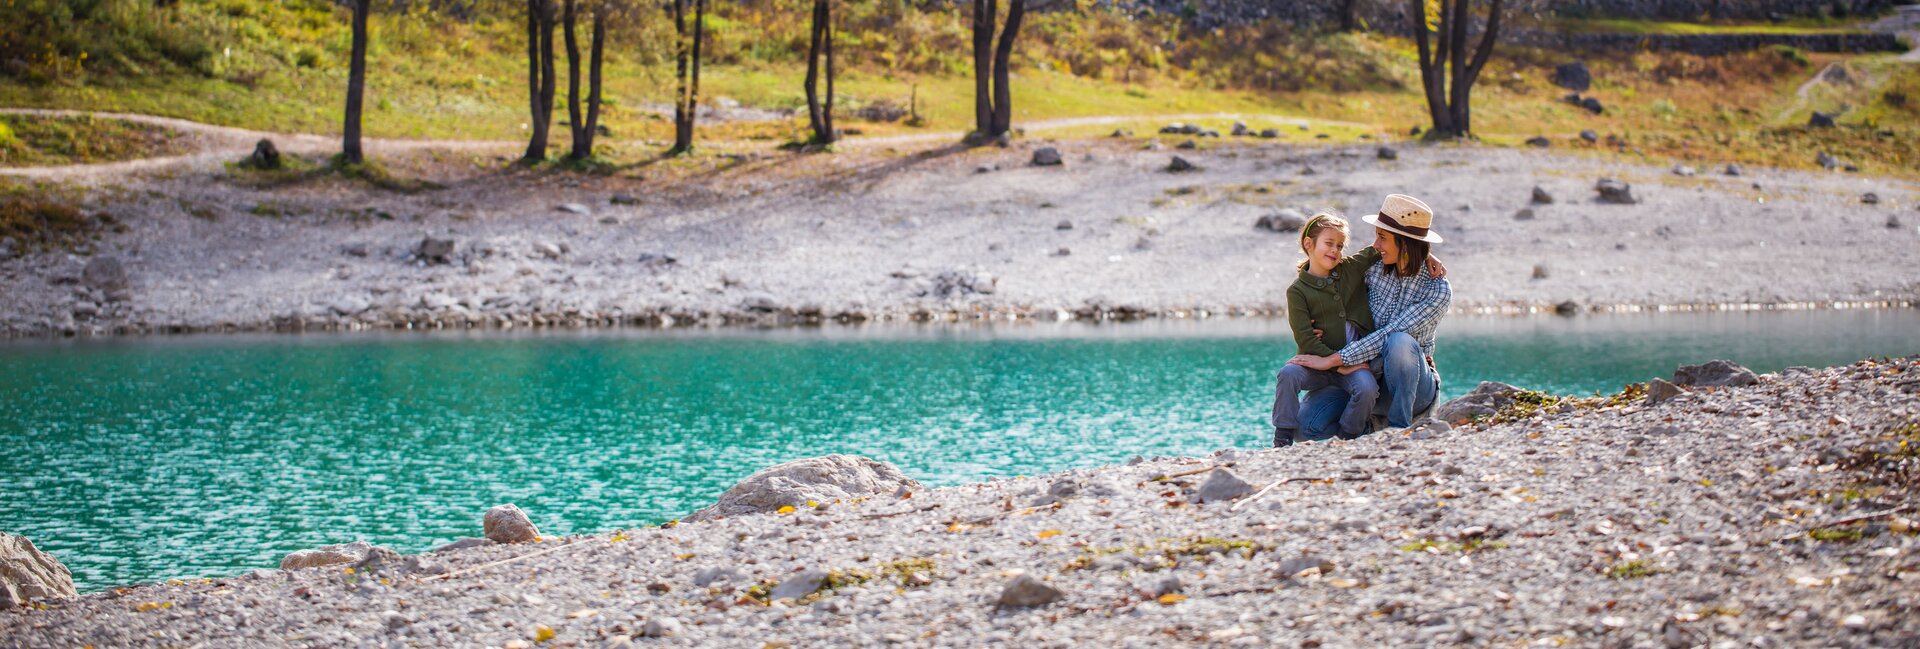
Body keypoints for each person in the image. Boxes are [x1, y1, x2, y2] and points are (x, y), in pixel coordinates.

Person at [1287, 194, 1452, 436]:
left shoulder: (1437, 289)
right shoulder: (1372, 271)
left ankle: (1398, 429)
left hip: (1414, 387)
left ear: (1405, 243)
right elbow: (1328, 284)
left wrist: (1333, 360)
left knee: (1399, 341)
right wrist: (1316, 324)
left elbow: (1389, 334)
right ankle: (1363, 429)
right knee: (1304, 427)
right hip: (1365, 376)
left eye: (1382, 238)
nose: (1376, 244)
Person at [1269, 213, 1380, 447]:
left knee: (1367, 389)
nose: (1335, 251)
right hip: (1320, 365)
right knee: (1287, 374)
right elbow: (1306, 340)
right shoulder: (1297, 291)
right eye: (1329, 244)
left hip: (1354, 364)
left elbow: (1379, 248)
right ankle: (1281, 439)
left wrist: (1427, 254)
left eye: (1340, 246)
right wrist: (1340, 364)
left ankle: (1346, 438)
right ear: (1309, 244)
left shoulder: (1349, 269)